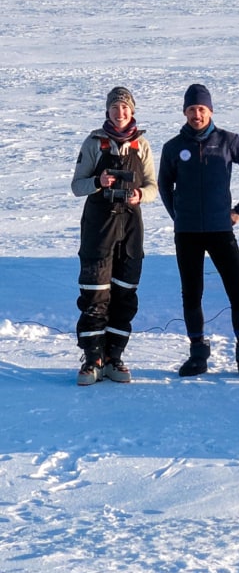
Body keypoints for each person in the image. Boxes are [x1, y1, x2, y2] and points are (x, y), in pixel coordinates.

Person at [158, 83, 239, 379]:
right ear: (185, 112)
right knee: (192, 294)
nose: (197, 115)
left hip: (221, 229)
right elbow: (164, 184)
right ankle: (197, 353)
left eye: (202, 109)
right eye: (192, 109)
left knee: (238, 291)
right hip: (187, 233)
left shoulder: (228, 141)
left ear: (210, 111)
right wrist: (178, 216)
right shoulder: (173, 147)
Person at [71, 86, 158, 385]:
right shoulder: (94, 142)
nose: (120, 112)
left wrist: (139, 195)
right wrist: (99, 181)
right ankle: (93, 358)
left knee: (124, 294)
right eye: (115, 107)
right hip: (98, 228)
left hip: (130, 228)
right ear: (107, 111)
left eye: (125, 107)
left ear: (132, 111)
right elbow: (77, 186)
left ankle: (114, 357)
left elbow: (153, 186)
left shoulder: (141, 145)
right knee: (95, 292)